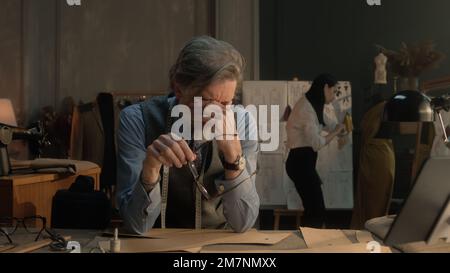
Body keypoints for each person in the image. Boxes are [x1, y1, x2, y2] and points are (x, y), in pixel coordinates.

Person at [116, 36, 260, 234]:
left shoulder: (242, 121)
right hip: (155, 244)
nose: (216, 115)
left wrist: (234, 158)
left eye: (227, 103)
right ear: (178, 89)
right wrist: (150, 171)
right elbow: (136, 225)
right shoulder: (137, 119)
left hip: (219, 246)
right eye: (207, 101)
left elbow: (244, 222)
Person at [285, 73, 346, 228]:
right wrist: (336, 133)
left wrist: (341, 129)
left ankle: (309, 244)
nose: (333, 96)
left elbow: (327, 122)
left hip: (304, 163)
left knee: (315, 209)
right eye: (333, 91)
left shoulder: (313, 104)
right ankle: (309, 245)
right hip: (299, 163)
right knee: (316, 210)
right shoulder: (306, 108)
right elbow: (317, 143)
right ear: (325, 88)